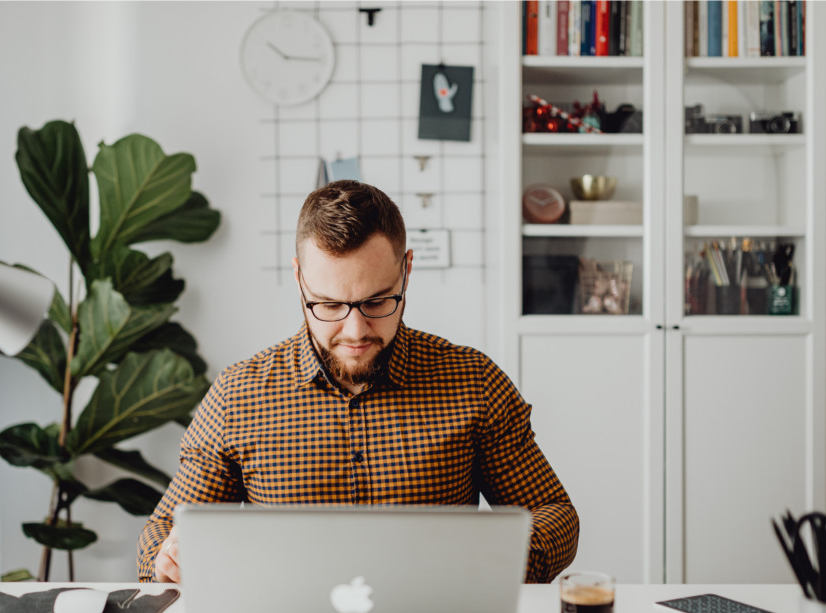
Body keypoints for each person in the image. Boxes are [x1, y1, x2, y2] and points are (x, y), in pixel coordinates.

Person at [137, 181, 578, 583]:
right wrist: (167, 557)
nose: (355, 331)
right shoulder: (238, 396)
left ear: (406, 271)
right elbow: (163, 530)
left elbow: (555, 515)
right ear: (298, 280)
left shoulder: (473, 382)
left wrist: (501, 559)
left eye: (377, 301)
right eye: (328, 305)